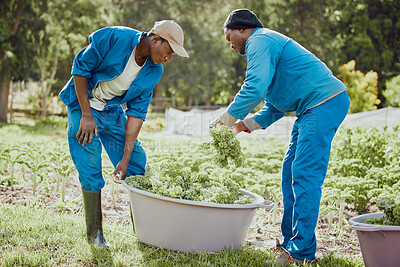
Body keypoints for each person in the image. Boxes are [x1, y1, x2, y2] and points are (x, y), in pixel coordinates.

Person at [211, 9, 350, 264]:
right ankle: (290, 242)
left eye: (228, 37)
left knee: (305, 174)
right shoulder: (265, 47)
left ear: (241, 29)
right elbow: (274, 107)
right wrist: (242, 126)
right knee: (289, 172)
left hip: (323, 103)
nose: (229, 45)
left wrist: (225, 119)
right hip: (310, 109)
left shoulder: (259, 40)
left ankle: (301, 253)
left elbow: (254, 87)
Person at [59, 20, 189, 248]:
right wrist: (86, 115)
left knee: (137, 162)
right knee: (90, 164)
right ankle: (95, 234)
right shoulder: (115, 38)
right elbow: (80, 69)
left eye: (172, 56)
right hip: (84, 106)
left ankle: (144, 231)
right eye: (168, 51)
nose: (168, 58)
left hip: (110, 111)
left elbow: (137, 113)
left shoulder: (154, 71)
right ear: (156, 39)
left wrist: (125, 158)